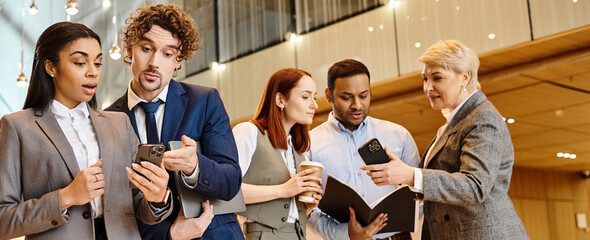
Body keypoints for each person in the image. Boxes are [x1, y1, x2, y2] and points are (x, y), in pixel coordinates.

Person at [0, 22, 172, 240]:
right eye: (80, 62)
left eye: (98, 63)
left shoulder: (119, 123)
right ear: (51, 67)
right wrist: (66, 197)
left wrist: (157, 197)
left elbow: (141, 206)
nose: (93, 72)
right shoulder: (17, 127)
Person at [361, 40, 528, 239]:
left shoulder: (482, 118)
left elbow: (475, 187)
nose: (427, 87)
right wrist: (412, 187)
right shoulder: (454, 122)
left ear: (464, 77)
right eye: (424, 79)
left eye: (437, 78)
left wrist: (413, 176)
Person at [106, 4, 243, 240]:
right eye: (146, 48)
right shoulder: (107, 120)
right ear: (130, 48)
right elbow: (114, 207)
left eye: (167, 54)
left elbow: (231, 181)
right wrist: (169, 234)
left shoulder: (204, 101)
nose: (154, 63)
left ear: (179, 60)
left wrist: (194, 167)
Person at [307, 59, 420, 240]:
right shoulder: (310, 145)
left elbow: (421, 191)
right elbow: (308, 210)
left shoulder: (398, 135)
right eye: (346, 97)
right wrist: (347, 234)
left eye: (363, 95)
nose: (357, 105)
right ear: (328, 95)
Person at [232, 68, 324, 239]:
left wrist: (306, 207)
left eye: (314, 97)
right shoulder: (249, 132)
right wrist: (284, 190)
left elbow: (290, 211)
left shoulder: (298, 150)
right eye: (305, 97)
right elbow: (227, 191)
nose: (314, 104)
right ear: (280, 99)